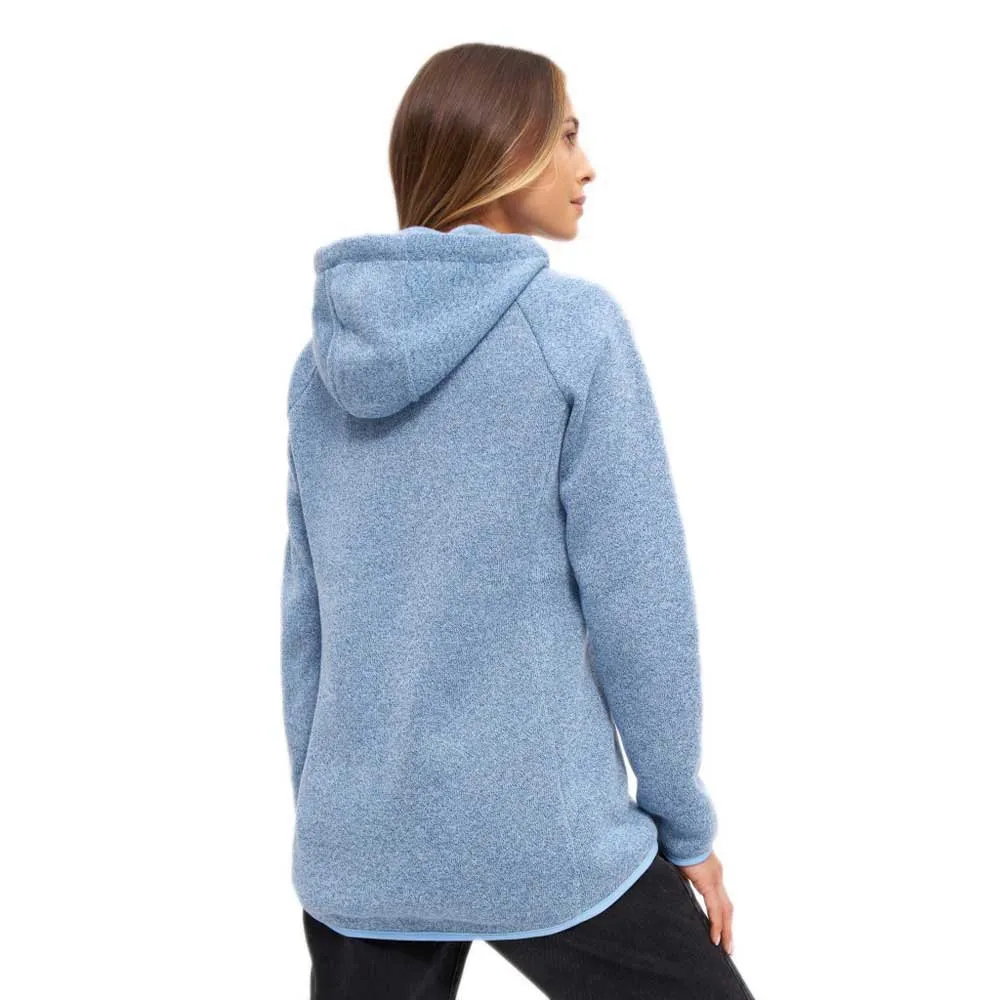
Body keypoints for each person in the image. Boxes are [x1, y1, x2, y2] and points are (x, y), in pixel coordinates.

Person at [281, 42, 755, 999]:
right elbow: (641, 606)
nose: (588, 166)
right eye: (567, 135)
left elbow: (308, 627)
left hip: (361, 850)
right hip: (550, 839)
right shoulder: (571, 331)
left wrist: (335, 819)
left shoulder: (319, 367)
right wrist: (684, 826)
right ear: (505, 150)